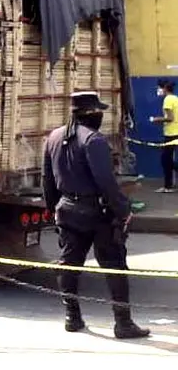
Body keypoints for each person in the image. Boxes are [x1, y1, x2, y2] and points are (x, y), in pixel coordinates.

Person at [43, 91, 150, 339]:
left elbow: (47, 180)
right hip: (99, 213)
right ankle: (123, 323)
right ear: (92, 114)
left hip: (67, 210)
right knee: (114, 266)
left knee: (69, 265)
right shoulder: (94, 140)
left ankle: (72, 317)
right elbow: (107, 183)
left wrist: (53, 211)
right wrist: (124, 211)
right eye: (99, 111)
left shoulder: (54, 137)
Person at [150, 79, 178, 193]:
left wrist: (156, 119)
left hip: (171, 134)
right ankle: (168, 185)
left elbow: (170, 118)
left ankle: (168, 187)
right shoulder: (175, 98)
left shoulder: (168, 99)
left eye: (159, 87)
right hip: (175, 133)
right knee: (167, 160)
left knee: (166, 161)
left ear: (164, 88)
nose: (158, 90)